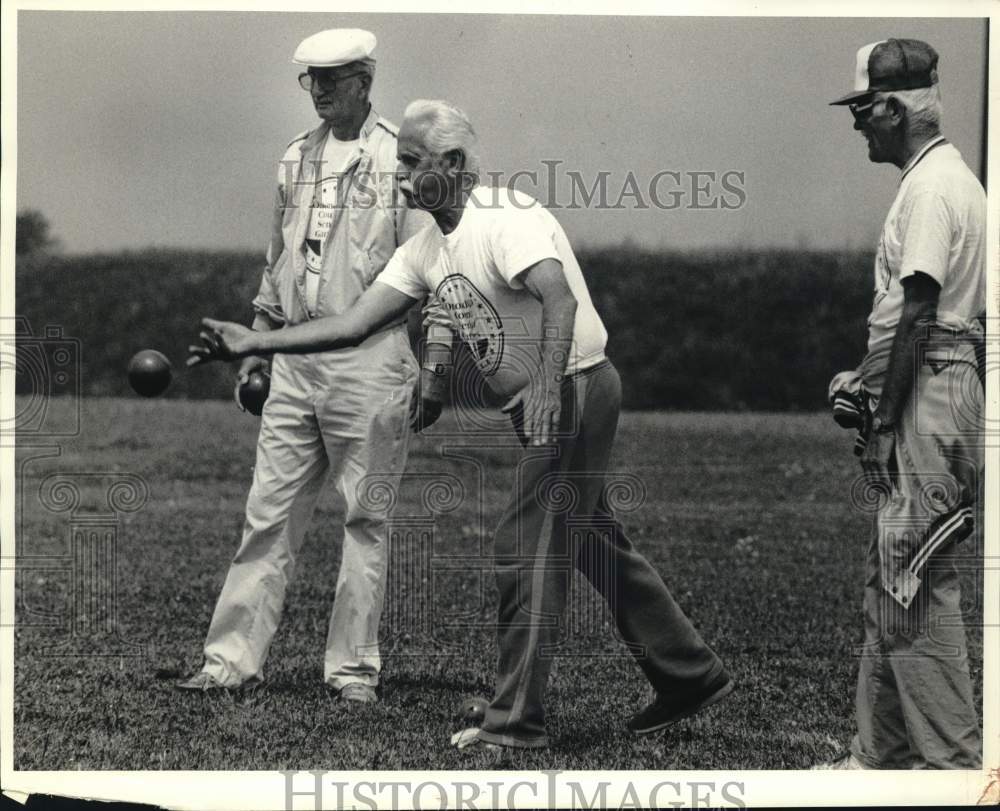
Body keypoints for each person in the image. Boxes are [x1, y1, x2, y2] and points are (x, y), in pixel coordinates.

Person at [188, 99, 732, 752]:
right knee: (589, 540)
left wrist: (544, 388)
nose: (401, 177)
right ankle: (687, 671)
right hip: (548, 397)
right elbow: (355, 323)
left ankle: (515, 724)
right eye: (400, 163)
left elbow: (558, 298)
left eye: (413, 163)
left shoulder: (506, 217)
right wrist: (256, 343)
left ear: (452, 163)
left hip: (577, 387)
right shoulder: (426, 248)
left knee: (525, 549)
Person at [178, 29, 444, 704]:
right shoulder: (296, 158)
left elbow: (431, 273)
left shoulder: (400, 161)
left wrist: (434, 364)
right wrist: (259, 346)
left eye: (332, 78)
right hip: (294, 363)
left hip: (373, 364)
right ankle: (228, 662)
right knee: (266, 517)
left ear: (365, 78)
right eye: (310, 80)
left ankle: (352, 671)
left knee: (366, 520)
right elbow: (277, 264)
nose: (320, 91)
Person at [819, 39, 985, 769]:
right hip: (937, 380)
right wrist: (867, 377)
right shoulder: (949, 180)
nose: (857, 124)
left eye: (861, 109)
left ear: (890, 107)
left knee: (911, 583)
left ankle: (954, 768)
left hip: (931, 390)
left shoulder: (931, 189)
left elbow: (921, 309)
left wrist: (884, 421)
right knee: (893, 578)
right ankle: (876, 759)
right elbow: (922, 316)